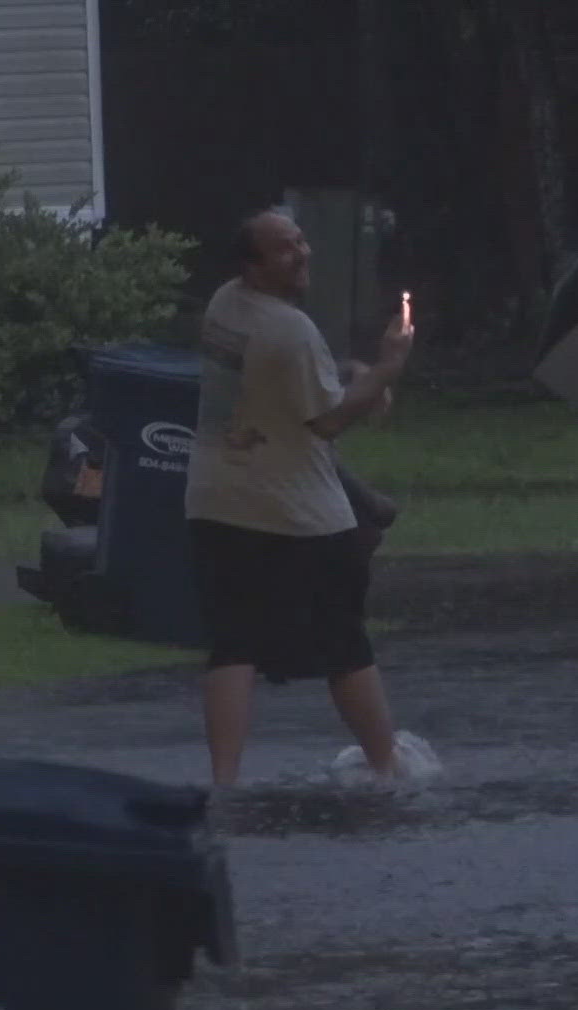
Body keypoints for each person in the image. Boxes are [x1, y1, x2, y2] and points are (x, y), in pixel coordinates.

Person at [184, 209, 414, 787]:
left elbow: (281, 384)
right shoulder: (291, 330)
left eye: (302, 240)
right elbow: (330, 419)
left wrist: (349, 372)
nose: (303, 253)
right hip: (297, 511)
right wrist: (387, 368)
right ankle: (387, 767)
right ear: (252, 266)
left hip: (218, 497)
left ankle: (224, 784)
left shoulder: (224, 307)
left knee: (233, 646)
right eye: (286, 249)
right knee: (345, 641)